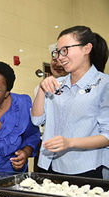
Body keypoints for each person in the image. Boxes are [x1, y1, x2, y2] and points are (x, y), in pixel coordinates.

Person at [31, 26, 109, 178]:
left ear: (87, 49)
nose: (60, 57)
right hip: (49, 165)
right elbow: (36, 120)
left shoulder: (104, 85)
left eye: (65, 50)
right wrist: (41, 89)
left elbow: (107, 136)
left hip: (84, 168)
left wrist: (70, 143)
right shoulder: (56, 83)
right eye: (58, 51)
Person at [33, 43, 68, 172]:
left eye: (62, 61)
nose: (58, 64)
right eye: (54, 60)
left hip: (71, 156)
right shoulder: (40, 88)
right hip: (47, 152)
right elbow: (37, 120)